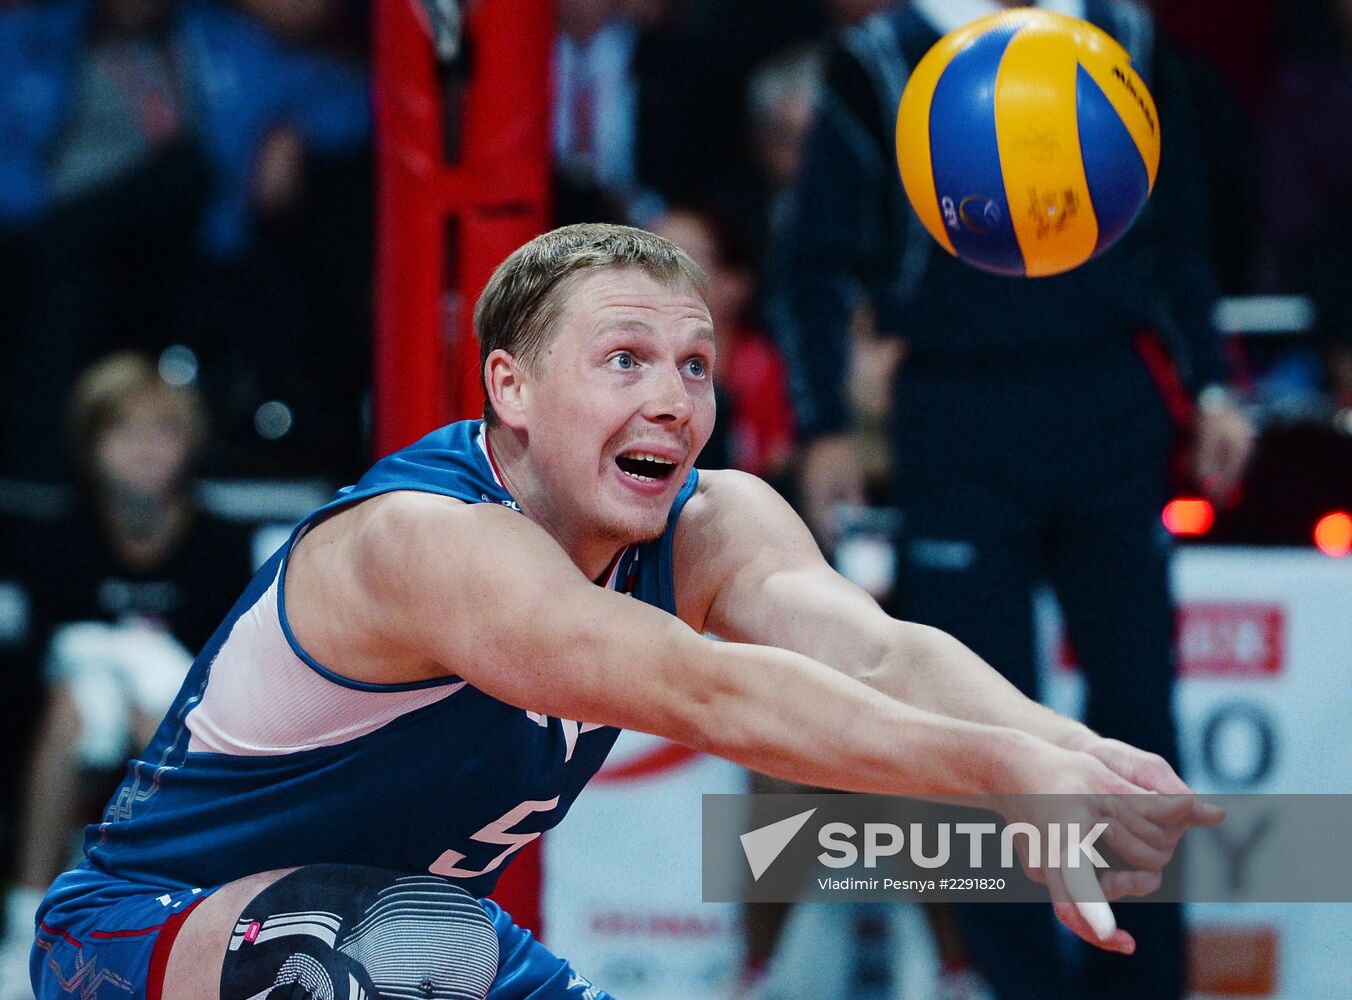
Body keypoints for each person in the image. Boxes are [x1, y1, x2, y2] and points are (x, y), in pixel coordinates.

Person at [29, 224, 1218, 1000]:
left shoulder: (711, 518)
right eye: (624, 360)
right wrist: (994, 772)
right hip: (138, 939)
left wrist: (1075, 756)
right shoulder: (424, 542)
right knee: (376, 946)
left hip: (422, 946)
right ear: (511, 385)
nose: (670, 399)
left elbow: (873, 649)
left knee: (413, 939)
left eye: (694, 366)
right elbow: (702, 689)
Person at [766, 2, 1255, 998]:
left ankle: (1141, 984)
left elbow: (1179, 236)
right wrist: (821, 424)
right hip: (954, 414)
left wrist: (1209, 382)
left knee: (1137, 716)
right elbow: (811, 260)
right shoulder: (880, 58)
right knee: (972, 730)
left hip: (1106, 403)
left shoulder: (1124, 33)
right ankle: (1008, 984)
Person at [1, 353, 255, 999]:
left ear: (190, 445)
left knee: (163, 718)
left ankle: (197, 915)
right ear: (91, 445)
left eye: (163, 432)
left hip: (191, 732)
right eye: (124, 432)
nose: (145, 451)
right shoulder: (58, 540)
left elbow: (234, 669)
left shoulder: (221, 544)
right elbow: (39, 663)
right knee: (69, 708)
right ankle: (25, 914)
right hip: (78, 722)